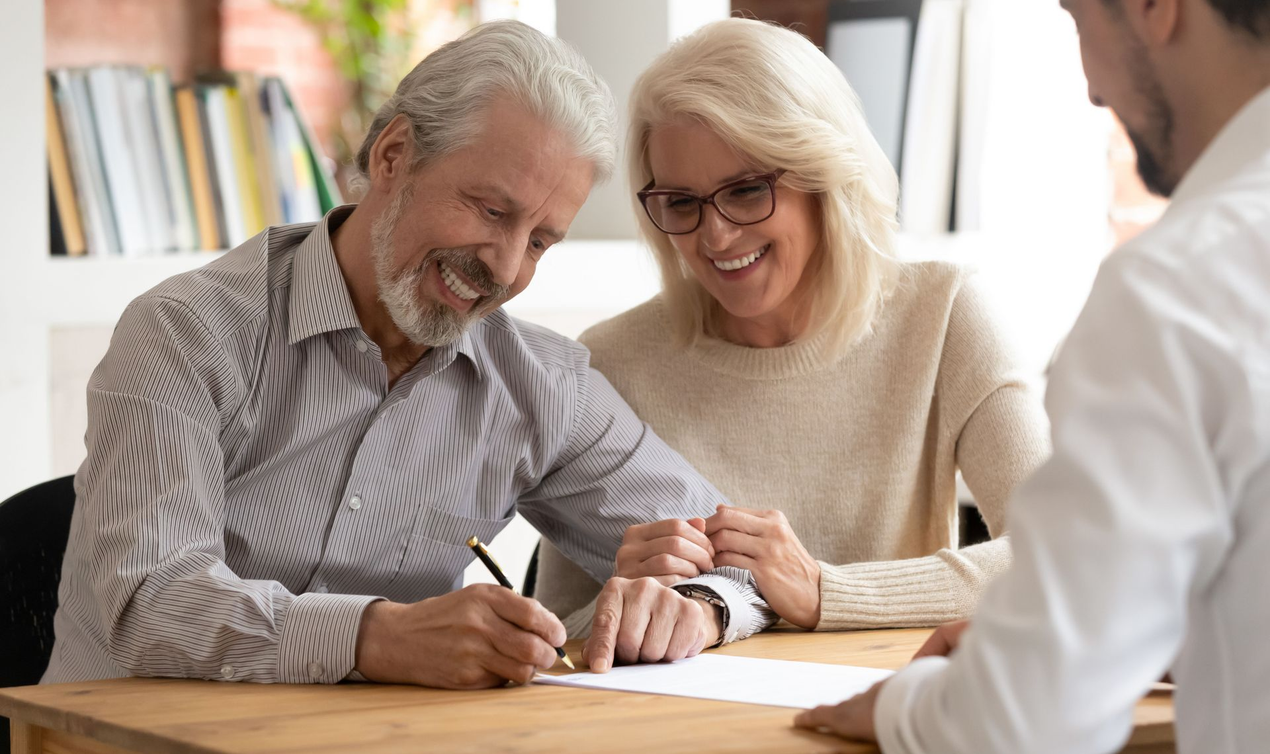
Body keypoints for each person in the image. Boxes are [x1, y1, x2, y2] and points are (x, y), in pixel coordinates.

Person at [42, 20, 778, 690]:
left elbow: (736, 557)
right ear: (393, 155)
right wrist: (375, 636)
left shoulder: (542, 386)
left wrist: (700, 606)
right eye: (491, 210)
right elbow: (148, 604)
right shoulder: (182, 333)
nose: (505, 264)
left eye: (542, 240)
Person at [794, 0, 1270, 751]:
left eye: (1078, 19)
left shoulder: (1176, 292)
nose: (1089, 88)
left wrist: (909, 702)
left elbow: (1027, 720)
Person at [534, 18, 1050, 633]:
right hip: (684, 723)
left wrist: (826, 592)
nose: (715, 235)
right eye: (681, 203)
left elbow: (1062, 552)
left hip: (884, 711)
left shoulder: (944, 315)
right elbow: (557, 639)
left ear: (824, 178)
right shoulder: (611, 362)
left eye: (748, 190)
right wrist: (622, 600)